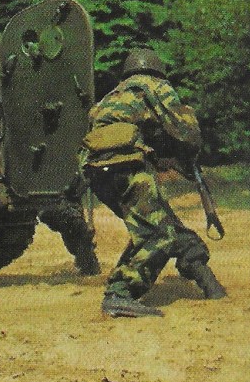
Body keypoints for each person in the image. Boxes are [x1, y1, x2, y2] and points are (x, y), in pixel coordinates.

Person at [83, 47, 226, 318]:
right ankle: (120, 294)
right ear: (157, 69)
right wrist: (186, 156)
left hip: (97, 174)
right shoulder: (155, 86)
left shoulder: (111, 97)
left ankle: (207, 281)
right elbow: (186, 132)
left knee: (161, 225)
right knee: (158, 233)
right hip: (126, 165)